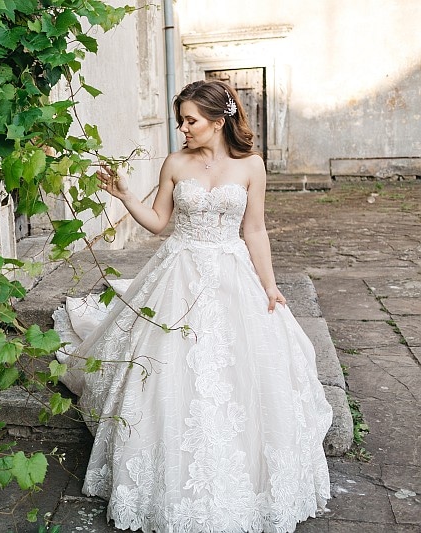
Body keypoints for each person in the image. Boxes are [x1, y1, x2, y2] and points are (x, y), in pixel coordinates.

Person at [53, 79, 332, 532]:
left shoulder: (252, 166)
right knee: (168, 366)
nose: (183, 128)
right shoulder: (175, 162)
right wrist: (126, 196)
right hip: (178, 272)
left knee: (242, 366)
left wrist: (270, 286)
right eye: (180, 120)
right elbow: (159, 224)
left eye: (191, 120)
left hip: (231, 272)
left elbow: (254, 230)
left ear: (218, 121)